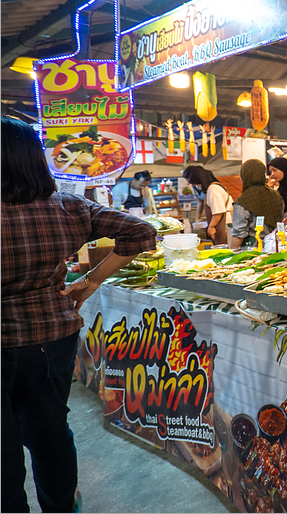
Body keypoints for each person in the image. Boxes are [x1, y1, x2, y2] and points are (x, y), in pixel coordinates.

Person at [1, 116, 157, 513]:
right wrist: (91, 280)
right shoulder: (69, 207)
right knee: (50, 431)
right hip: (52, 334)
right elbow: (141, 233)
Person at [231, 159, 284, 249]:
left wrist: (230, 255)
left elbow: (239, 233)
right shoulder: (276, 195)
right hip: (275, 246)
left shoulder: (243, 200)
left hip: (252, 249)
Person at [183, 165, 232, 245]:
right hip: (219, 222)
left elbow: (218, 212)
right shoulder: (211, 188)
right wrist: (198, 219)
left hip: (225, 223)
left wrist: (211, 227)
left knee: (223, 246)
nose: (197, 186)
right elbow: (200, 202)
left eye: (197, 184)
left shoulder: (213, 189)